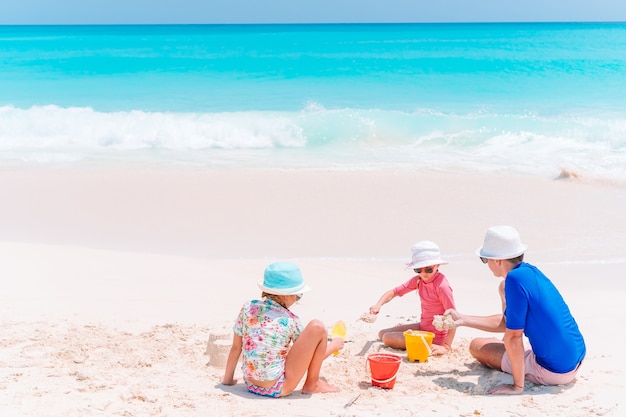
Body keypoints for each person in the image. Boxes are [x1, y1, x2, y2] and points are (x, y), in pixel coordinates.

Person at [445, 225, 586, 395]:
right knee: (502, 289)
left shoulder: (513, 279)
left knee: (477, 346)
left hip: (555, 371)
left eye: (485, 259)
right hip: (575, 356)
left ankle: (521, 379)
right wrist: (463, 319)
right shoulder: (529, 272)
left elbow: (513, 336)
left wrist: (517, 387)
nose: (486, 264)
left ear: (498, 260)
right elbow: (507, 323)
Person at [221, 262, 344, 397]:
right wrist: (334, 345)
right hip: (277, 388)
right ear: (286, 295)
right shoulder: (291, 320)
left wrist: (227, 380)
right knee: (317, 327)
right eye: (298, 295)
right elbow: (311, 357)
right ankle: (312, 384)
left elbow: (236, 348)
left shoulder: (248, 308)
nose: (297, 299)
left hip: (251, 385)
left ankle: (312, 383)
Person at [368, 241, 457, 355]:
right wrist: (378, 305)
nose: (424, 273)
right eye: (418, 270)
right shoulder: (418, 280)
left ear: (437, 265)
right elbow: (394, 292)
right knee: (381, 333)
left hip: (435, 337)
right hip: (423, 326)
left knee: (387, 338)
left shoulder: (442, 286)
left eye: (428, 269)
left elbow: (454, 317)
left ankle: (433, 342)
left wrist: (446, 346)